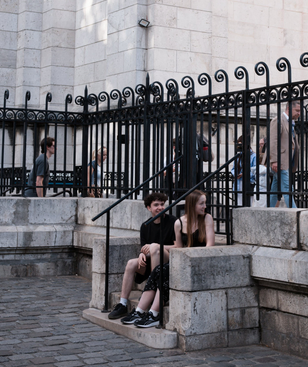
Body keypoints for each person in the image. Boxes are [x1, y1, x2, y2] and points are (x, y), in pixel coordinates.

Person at [121, 190, 215, 328]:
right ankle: (140, 311)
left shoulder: (207, 218)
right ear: (192, 204)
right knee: (160, 270)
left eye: (204, 203)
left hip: (200, 260)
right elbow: (180, 248)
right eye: (201, 203)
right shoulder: (179, 223)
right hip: (182, 259)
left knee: (162, 270)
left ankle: (153, 312)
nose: (204, 206)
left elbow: (210, 246)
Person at [108, 192, 176, 320]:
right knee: (131, 263)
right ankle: (122, 304)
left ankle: (154, 294)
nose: (160, 207)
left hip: (168, 261)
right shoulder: (145, 225)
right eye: (156, 205)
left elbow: (179, 247)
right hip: (152, 261)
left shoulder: (173, 221)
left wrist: (156, 246)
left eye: (162, 204)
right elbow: (144, 248)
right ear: (148, 208)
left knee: (155, 249)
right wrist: (141, 255)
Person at [269, 101, 301, 208]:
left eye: (300, 111)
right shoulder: (278, 120)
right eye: (297, 110)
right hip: (280, 162)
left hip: (287, 162)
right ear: (288, 108)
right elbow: (273, 141)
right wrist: (274, 160)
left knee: (275, 188)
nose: (299, 113)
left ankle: (269, 211)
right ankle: (295, 213)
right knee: (287, 188)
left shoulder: (290, 123)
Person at [231, 136, 256, 206]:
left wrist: (244, 174)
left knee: (249, 204)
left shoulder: (253, 156)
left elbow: (255, 171)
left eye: (241, 144)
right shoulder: (238, 156)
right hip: (238, 183)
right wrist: (236, 174)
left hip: (249, 183)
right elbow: (233, 169)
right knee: (238, 204)